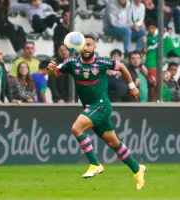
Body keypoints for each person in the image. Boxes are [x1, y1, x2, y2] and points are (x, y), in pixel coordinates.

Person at [48, 34, 147, 190]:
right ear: (79, 46)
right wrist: (52, 70)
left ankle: (95, 164)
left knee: (76, 128)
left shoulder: (102, 62)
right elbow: (56, 73)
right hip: (89, 108)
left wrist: (132, 86)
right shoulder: (72, 63)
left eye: (90, 45)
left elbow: (121, 67)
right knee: (113, 142)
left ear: (95, 47)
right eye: (84, 45)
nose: (86, 48)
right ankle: (137, 170)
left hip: (101, 105)